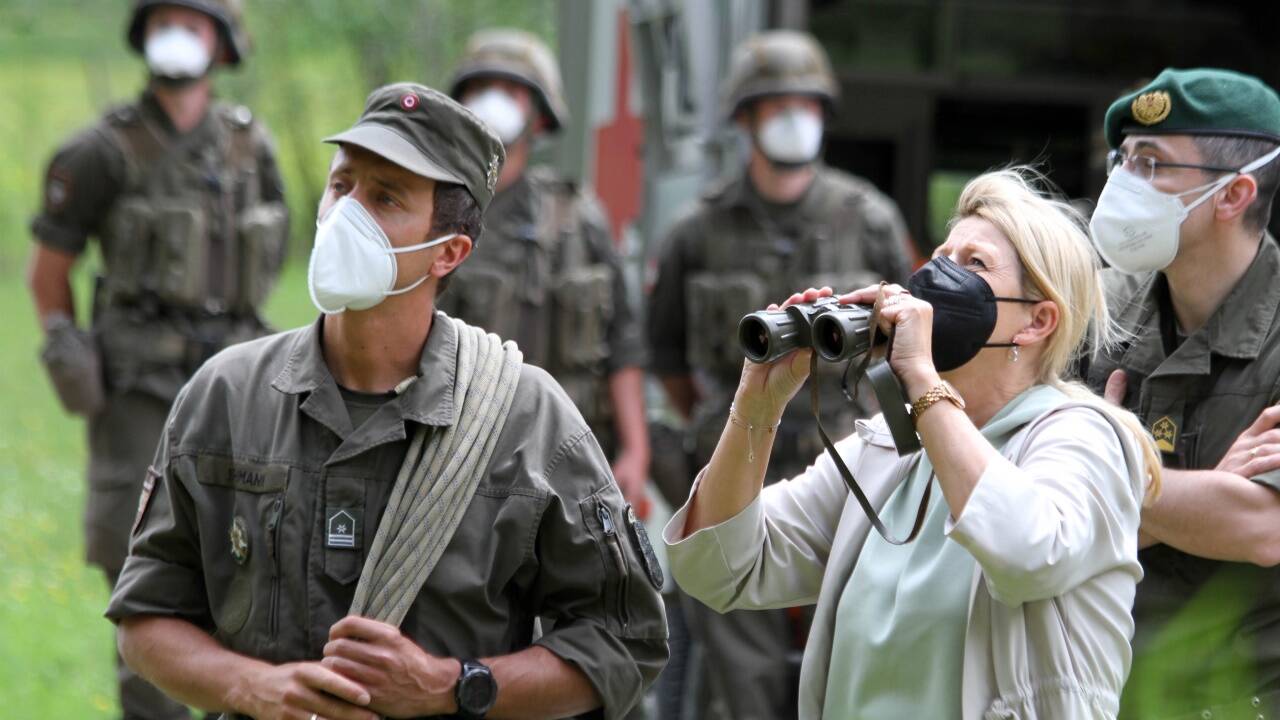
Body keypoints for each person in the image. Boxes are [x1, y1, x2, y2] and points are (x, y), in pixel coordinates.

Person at [105, 83, 667, 720]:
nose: (347, 213)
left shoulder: (527, 420)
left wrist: (456, 685)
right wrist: (250, 687)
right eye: (342, 185)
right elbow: (146, 616)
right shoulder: (225, 396)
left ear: (448, 251)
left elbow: (625, 639)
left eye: (385, 197)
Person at [665, 168, 1162, 719]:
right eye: (941, 255)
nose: (941, 274)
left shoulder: (1081, 436)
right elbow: (718, 568)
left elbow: (1028, 552)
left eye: (975, 263)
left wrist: (922, 379)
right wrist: (758, 406)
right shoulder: (889, 449)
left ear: (1037, 321)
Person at [26, 2, 287, 717]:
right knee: (145, 581)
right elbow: (48, 271)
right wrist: (71, 352)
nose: (178, 35)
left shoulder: (250, 148)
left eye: (194, 22)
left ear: (224, 44)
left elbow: (279, 244)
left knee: (245, 574)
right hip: (140, 392)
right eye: (165, 19)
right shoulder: (101, 151)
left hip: (235, 395)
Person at [645, 30, 913, 720]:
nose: (795, 117)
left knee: (856, 655)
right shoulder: (694, 231)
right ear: (744, 118)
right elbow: (668, 359)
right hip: (739, 472)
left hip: (853, 472)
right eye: (776, 105)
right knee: (743, 680)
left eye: (807, 104)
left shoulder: (871, 218)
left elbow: (912, 336)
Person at [1083, 68, 1280, 718]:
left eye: (1152, 164)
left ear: (1234, 194)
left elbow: (1261, 526)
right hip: (1100, 691)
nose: (1123, 183)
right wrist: (1201, 499)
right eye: (1124, 159)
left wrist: (1101, 481)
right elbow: (1023, 510)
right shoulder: (1095, 313)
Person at [440, 29, 651, 510]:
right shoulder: (435, 213)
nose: (496, 102)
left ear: (539, 117)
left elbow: (623, 344)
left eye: (513, 91)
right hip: (460, 463)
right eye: (483, 87)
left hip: (568, 460)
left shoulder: (579, 217)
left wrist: (635, 453)